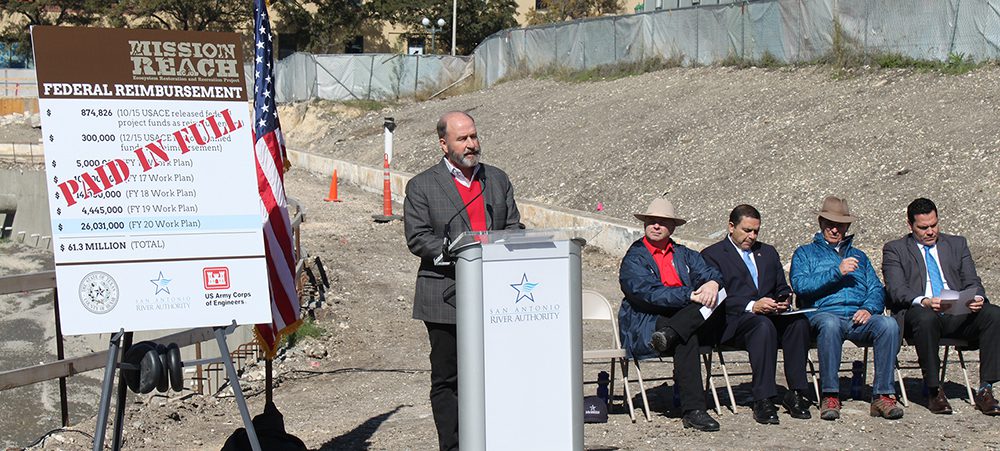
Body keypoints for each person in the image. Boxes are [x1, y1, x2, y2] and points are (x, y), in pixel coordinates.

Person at [403, 111, 523, 450]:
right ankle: (453, 446)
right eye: (462, 138)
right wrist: (456, 249)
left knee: (495, 373)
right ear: (444, 144)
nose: (471, 144)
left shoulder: (496, 179)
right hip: (445, 295)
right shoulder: (422, 185)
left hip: (496, 294)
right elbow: (417, 238)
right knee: (449, 376)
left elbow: (513, 227)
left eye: (473, 136)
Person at [882, 197, 1000, 416]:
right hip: (920, 313)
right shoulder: (895, 249)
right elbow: (896, 290)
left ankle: (986, 389)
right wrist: (924, 300)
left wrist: (977, 298)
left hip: (957, 309)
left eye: (934, 225)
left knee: (994, 314)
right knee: (926, 317)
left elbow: (973, 281)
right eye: (923, 227)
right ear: (910, 225)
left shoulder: (957, 244)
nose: (930, 231)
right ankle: (934, 389)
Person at [789, 196, 903, 421]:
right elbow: (800, 286)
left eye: (840, 225)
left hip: (858, 315)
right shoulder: (805, 254)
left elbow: (876, 289)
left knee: (888, 324)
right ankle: (830, 394)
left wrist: (869, 308)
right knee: (830, 324)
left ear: (847, 227)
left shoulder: (859, 256)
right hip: (823, 313)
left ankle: (882, 394)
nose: (834, 229)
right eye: (830, 224)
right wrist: (836, 272)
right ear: (821, 223)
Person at [618, 197, 725, 432]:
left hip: (679, 319)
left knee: (719, 296)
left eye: (662, 222)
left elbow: (709, 271)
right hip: (647, 320)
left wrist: (713, 283)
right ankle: (694, 410)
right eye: (651, 221)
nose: (656, 226)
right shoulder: (634, 258)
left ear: (672, 228)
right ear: (644, 224)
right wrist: (689, 295)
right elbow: (648, 294)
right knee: (687, 336)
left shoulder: (684, 254)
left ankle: (671, 333)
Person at [701, 204, 812, 424]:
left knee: (798, 323)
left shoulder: (767, 252)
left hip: (769, 315)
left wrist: (784, 298)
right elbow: (717, 297)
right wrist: (752, 305)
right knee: (762, 325)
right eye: (747, 230)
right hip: (734, 321)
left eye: (756, 231)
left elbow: (781, 285)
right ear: (731, 227)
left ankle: (797, 392)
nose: (752, 236)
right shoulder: (712, 255)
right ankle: (763, 398)